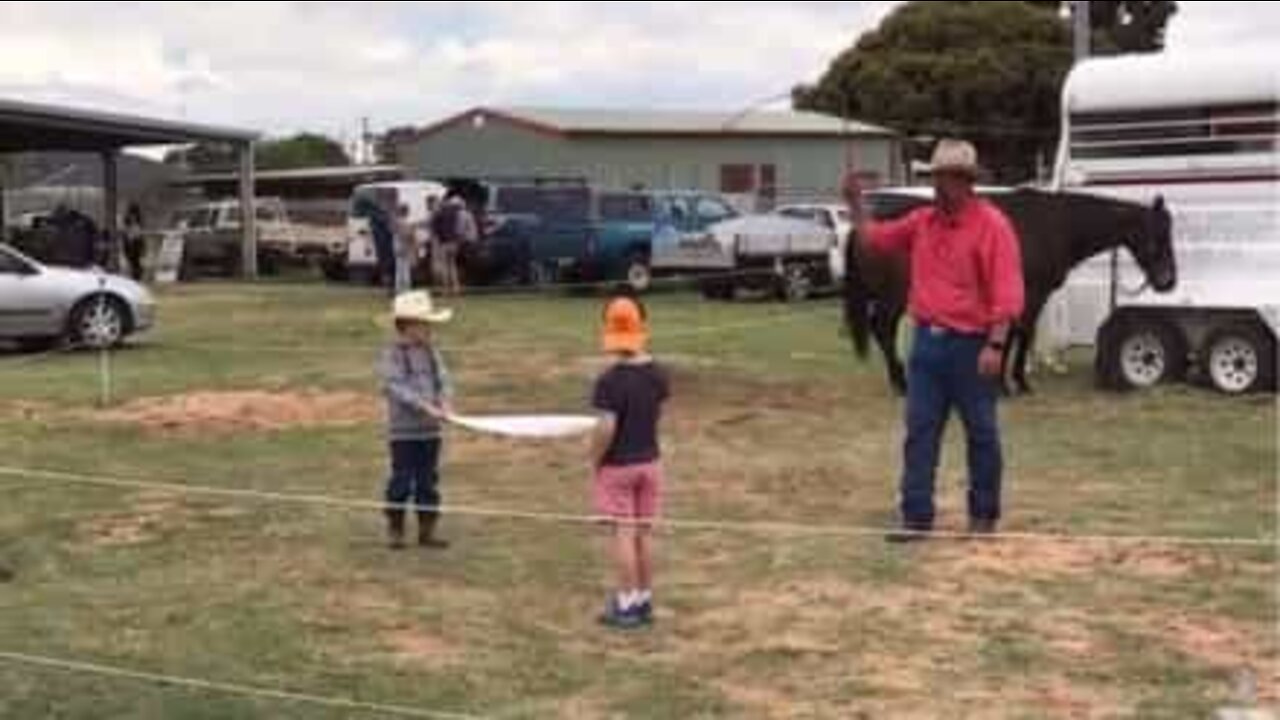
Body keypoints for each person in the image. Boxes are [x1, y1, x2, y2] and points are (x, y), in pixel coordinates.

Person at [844, 139, 1025, 543]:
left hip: (972, 345)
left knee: (982, 433)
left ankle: (982, 517)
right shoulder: (922, 221)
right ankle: (915, 516)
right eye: (936, 179)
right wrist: (856, 207)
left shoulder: (992, 226)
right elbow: (874, 240)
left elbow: (1007, 291)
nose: (939, 187)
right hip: (927, 344)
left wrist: (996, 345)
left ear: (966, 182)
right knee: (920, 431)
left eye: (947, 179)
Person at [590, 293, 670, 630]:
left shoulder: (609, 382)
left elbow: (606, 427)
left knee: (622, 534)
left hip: (619, 466)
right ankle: (644, 599)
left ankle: (625, 604)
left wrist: (595, 459)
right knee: (643, 534)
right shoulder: (658, 374)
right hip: (650, 463)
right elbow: (656, 414)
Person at [378, 290, 456, 551]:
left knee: (428, 482)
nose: (429, 328)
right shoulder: (393, 354)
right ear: (407, 326)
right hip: (403, 433)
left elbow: (443, 379)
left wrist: (444, 401)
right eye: (424, 323)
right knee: (401, 480)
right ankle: (396, 528)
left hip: (430, 433)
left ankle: (427, 530)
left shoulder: (432, 351)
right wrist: (424, 406)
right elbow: (395, 387)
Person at [430, 196, 475, 297]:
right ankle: (456, 289)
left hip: (444, 243)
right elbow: (458, 228)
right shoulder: (455, 214)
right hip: (454, 243)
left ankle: (445, 290)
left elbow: (434, 229)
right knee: (452, 266)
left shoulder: (439, 214)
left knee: (445, 266)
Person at [393, 203, 417, 295]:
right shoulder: (407, 223)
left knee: (399, 269)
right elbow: (409, 236)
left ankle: (398, 289)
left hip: (397, 246)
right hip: (405, 246)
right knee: (405, 269)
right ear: (407, 212)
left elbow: (396, 234)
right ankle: (406, 289)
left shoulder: (396, 222)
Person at [123, 203, 146, 281]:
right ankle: (135, 275)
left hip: (136, 243)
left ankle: (137, 275)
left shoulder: (138, 223)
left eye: (134, 214)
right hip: (130, 243)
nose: (133, 216)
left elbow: (140, 236)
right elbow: (125, 234)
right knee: (131, 260)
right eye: (131, 214)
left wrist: (142, 246)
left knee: (135, 261)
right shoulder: (127, 222)